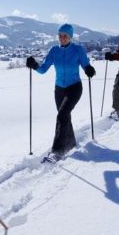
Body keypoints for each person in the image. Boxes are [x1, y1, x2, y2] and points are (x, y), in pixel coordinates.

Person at [26, 24, 96, 161]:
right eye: (60, 35)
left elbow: (85, 64)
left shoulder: (78, 50)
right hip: (59, 89)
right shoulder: (54, 50)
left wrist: (89, 69)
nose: (62, 38)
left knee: (62, 115)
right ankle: (70, 144)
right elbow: (43, 68)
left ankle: (57, 151)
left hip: (74, 87)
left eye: (65, 36)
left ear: (70, 36)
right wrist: (34, 65)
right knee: (65, 117)